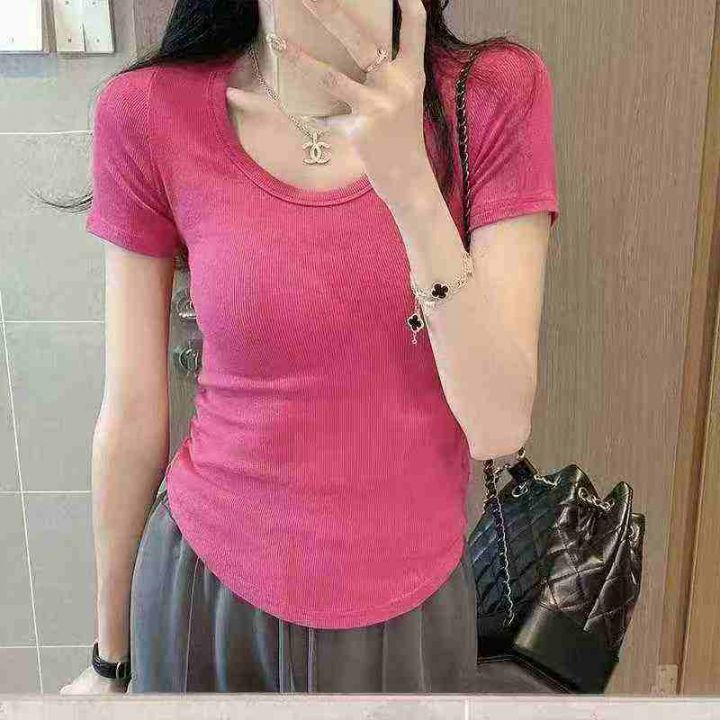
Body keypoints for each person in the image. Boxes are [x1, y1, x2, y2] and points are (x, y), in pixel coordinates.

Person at [59, 0, 559, 695]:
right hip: (204, 593)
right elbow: (132, 414)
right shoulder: (147, 111)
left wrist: (410, 184)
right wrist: (109, 663)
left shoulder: (494, 95)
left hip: (407, 607)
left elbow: (499, 424)